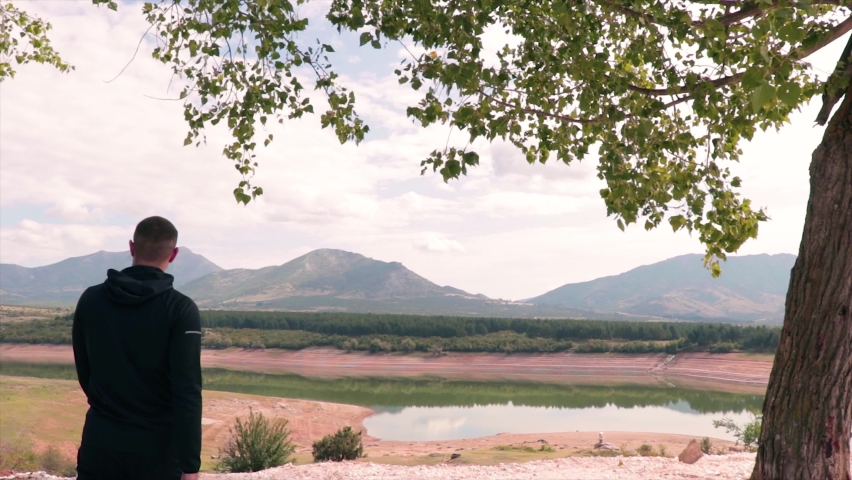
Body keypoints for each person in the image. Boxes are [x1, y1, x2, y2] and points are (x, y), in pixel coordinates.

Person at [72, 216, 202, 480]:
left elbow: (85, 371)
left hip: (100, 445)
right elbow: (186, 390)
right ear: (174, 254)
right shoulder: (181, 309)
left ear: (132, 248)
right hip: (158, 453)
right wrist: (190, 466)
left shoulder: (91, 299)